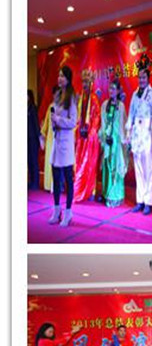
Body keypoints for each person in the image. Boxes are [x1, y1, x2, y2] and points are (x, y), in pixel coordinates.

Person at [125, 54, 152, 215]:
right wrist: (128, 134)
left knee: (147, 169)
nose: (141, 80)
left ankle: (148, 202)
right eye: (139, 77)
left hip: (146, 133)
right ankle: (140, 200)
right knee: (138, 168)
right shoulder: (135, 95)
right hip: (136, 134)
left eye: (144, 77)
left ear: (148, 78)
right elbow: (131, 115)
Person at [48, 66, 78, 227]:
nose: (59, 78)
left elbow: (73, 122)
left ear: (68, 79)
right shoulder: (58, 95)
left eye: (62, 76)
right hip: (57, 140)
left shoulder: (71, 97)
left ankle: (68, 212)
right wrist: (53, 122)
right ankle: (56, 210)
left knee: (67, 179)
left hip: (66, 142)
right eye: (58, 75)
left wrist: (58, 120)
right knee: (55, 176)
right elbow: (55, 117)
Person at [73, 68, 102, 202]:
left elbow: (97, 117)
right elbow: (77, 116)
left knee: (89, 164)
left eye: (87, 82)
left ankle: (90, 191)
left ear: (91, 83)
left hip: (90, 138)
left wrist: (91, 132)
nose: (84, 84)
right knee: (79, 163)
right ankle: (79, 189)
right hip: (81, 137)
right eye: (83, 81)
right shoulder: (81, 97)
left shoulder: (94, 99)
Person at [99, 78, 127, 207]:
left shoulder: (121, 106)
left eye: (114, 89)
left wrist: (121, 140)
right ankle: (106, 194)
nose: (111, 91)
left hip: (117, 141)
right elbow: (103, 122)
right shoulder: (105, 104)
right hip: (107, 140)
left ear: (118, 91)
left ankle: (116, 196)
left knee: (116, 166)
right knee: (107, 166)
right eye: (110, 88)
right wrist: (105, 136)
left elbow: (123, 124)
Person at [40, 85, 61, 193]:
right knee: (49, 162)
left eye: (59, 95)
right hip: (50, 139)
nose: (57, 97)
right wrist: (43, 134)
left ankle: (58, 186)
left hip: (60, 139)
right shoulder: (51, 107)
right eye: (55, 94)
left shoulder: (63, 108)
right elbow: (46, 123)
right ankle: (49, 185)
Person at [28, 90, 41, 189]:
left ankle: (35, 182)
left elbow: (36, 124)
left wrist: (39, 137)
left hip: (33, 138)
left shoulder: (33, 108)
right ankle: (31, 180)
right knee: (29, 160)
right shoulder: (26, 108)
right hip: (27, 138)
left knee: (34, 160)